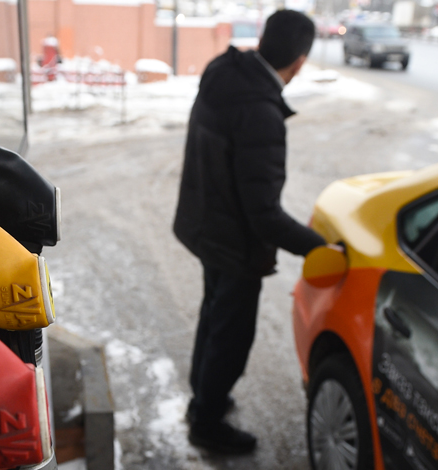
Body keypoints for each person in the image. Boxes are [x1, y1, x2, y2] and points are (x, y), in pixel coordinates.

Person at [173, 10, 327, 454]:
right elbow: (264, 215)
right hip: (234, 242)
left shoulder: (223, 70)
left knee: (213, 316)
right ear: (299, 61)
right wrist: (317, 247)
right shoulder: (260, 113)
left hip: (206, 224)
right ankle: (207, 421)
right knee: (231, 334)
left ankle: (203, 399)